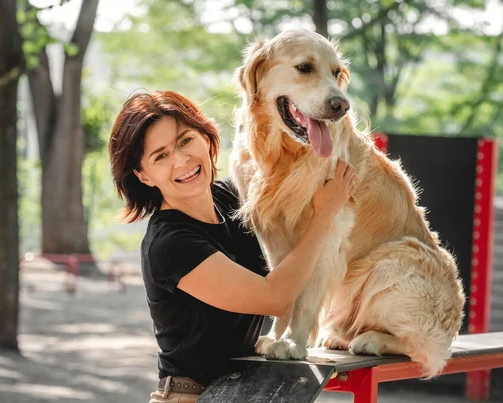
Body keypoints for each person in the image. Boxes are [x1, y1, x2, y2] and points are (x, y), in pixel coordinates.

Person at [108, 90, 357, 403]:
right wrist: (325, 215)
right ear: (143, 175)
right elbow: (275, 298)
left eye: (185, 141)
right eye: (160, 156)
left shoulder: (230, 199)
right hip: (192, 396)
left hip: (243, 389)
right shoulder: (170, 243)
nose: (181, 161)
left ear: (205, 135)